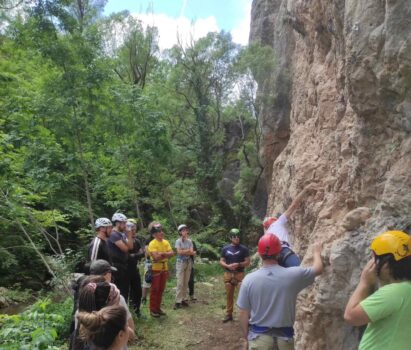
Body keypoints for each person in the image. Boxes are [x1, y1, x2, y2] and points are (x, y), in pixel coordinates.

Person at [237, 234, 323, 350]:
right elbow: (318, 269)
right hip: (284, 339)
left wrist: (246, 337)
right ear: (279, 253)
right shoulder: (293, 275)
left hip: (259, 339)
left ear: (260, 253)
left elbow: (243, 314)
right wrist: (317, 253)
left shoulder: (249, 279)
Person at [344, 230, 411, 350]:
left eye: (375, 258)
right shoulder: (404, 290)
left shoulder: (393, 293)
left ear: (385, 265)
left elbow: (351, 316)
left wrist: (364, 282)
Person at [263, 184, 319, 267]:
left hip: (272, 258)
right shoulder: (278, 222)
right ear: (273, 220)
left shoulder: (267, 235)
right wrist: (305, 190)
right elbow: (294, 205)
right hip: (284, 251)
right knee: (299, 273)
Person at [220, 228, 250, 323]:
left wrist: (239, 264)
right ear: (230, 237)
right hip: (228, 274)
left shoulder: (244, 249)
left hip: (239, 274)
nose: (237, 238)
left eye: (238, 236)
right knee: (229, 295)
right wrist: (227, 265)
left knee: (243, 296)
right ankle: (229, 314)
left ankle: (246, 316)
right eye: (234, 236)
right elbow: (221, 260)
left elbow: (248, 261)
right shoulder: (225, 248)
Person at [147, 221, 174, 317]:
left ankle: (158, 308)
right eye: (159, 231)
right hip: (155, 269)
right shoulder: (152, 243)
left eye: (162, 231)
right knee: (155, 289)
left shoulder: (165, 242)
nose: (162, 233)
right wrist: (166, 254)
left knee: (161, 289)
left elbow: (172, 253)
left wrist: (161, 254)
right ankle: (152, 309)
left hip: (164, 268)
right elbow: (156, 257)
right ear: (154, 234)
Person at [108, 213, 133, 300]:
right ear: (118, 223)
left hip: (123, 265)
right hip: (116, 265)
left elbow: (130, 247)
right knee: (120, 289)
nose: (125, 225)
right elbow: (125, 249)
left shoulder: (121, 234)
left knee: (125, 289)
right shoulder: (114, 234)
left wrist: (129, 235)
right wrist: (129, 235)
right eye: (123, 223)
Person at [126, 219, 145, 317]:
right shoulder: (124, 241)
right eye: (132, 230)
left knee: (138, 290)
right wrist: (137, 254)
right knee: (126, 292)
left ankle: (137, 311)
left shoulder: (137, 241)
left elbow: (142, 254)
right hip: (125, 270)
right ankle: (127, 313)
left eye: (135, 230)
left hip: (135, 269)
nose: (134, 232)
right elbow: (127, 256)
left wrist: (136, 255)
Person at [174, 224, 195, 309]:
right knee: (180, 282)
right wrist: (187, 251)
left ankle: (184, 299)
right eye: (183, 230)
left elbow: (192, 252)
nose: (185, 231)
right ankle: (177, 301)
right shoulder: (178, 241)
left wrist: (185, 251)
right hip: (180, 263)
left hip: (188, 262)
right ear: (180, 232)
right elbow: (179, 252)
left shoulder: (190, 241)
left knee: (186, 282)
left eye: (186, 230)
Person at [141, 230, 155, 305]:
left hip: (158, 262)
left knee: (155, 282)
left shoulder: (160, 240)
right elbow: (147, 254)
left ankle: (153, 299)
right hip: (149, 263)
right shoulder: (148, 240)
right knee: (147, 280)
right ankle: (143, 298)